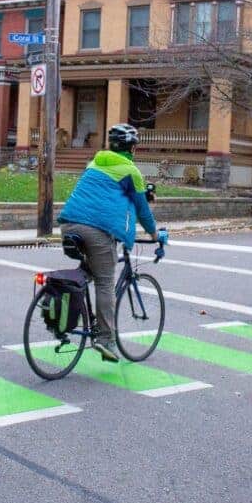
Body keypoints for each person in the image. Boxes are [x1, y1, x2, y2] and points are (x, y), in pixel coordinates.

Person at [58, 124, 167, 362]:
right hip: (97, 231)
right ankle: (106, 340)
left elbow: (105, 194)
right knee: (105, 282)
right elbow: (143, 211)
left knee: (89, 272)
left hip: (68, 224)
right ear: (133, 148)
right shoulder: (131, 170)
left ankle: (63, 315)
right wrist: (156, 235)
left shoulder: (95, 162)